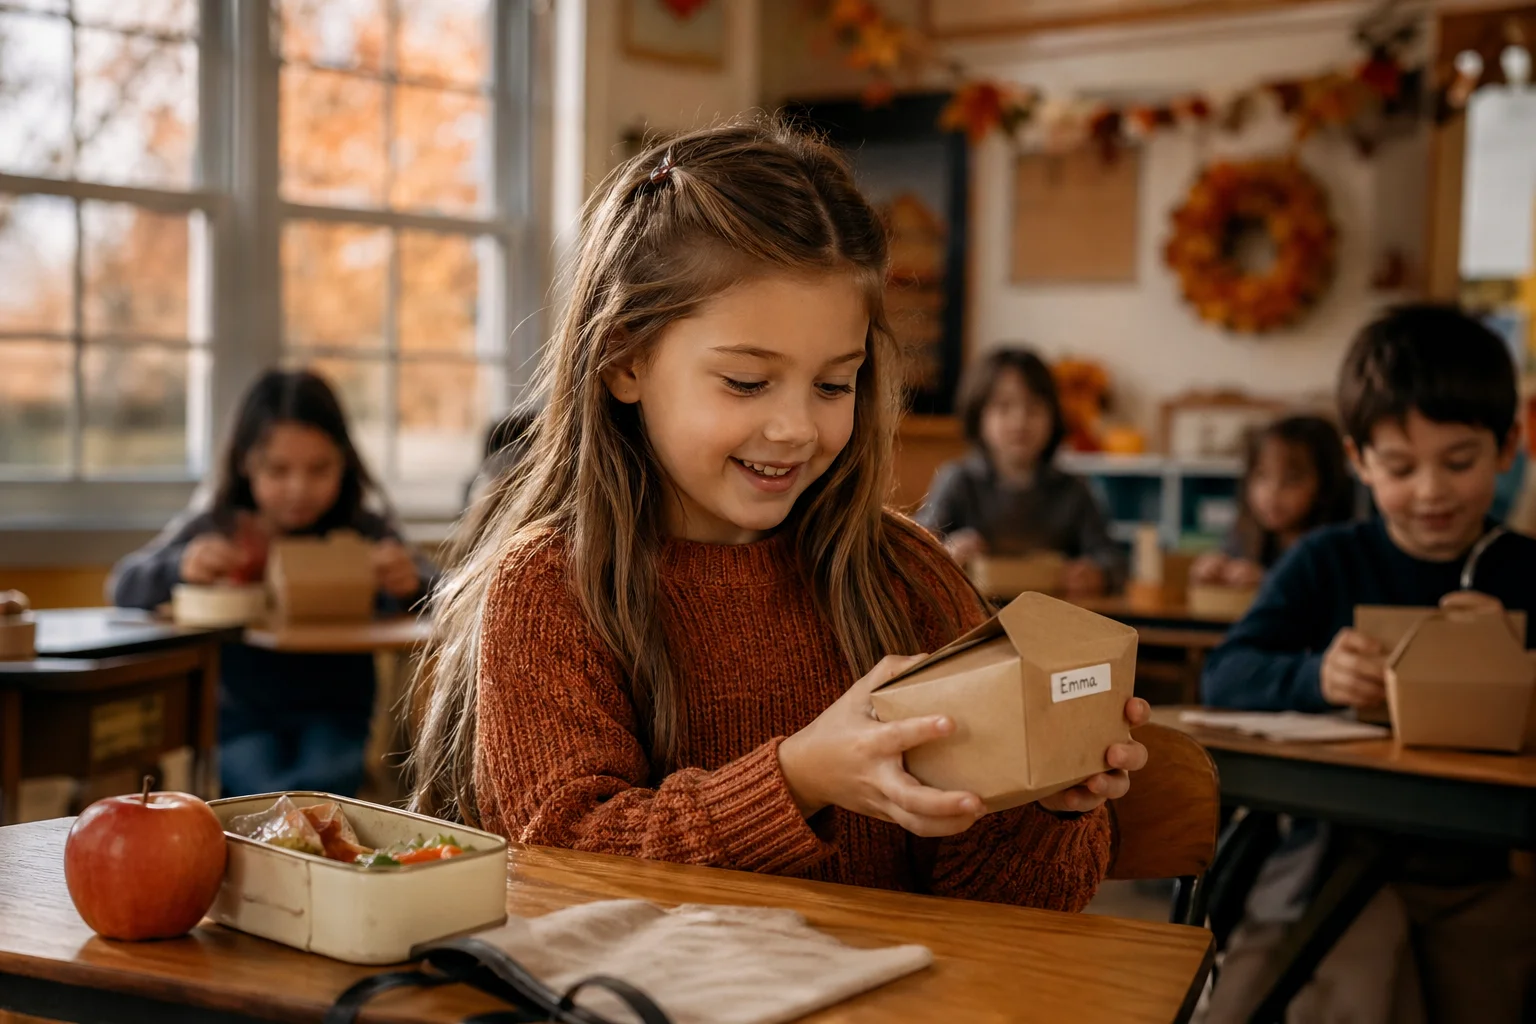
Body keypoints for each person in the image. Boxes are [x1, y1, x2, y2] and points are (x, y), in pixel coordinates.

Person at [409, 117, 1149, 911]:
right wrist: (798, 779)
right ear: (625, 358)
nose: (798, 428)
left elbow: (1013, 908)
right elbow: (560, 860)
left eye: (835, 385)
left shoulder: (908, 576)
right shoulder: (551, 587)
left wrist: (1043, 796)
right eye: (747, 383)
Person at [1201, 304, 1536, 1023]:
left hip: (1485, 865)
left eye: (1459, 461)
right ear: (1358, 460)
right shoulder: (1326, 562)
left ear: (1508, 447)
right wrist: (1315, 677)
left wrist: (1516, 667)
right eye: (1400, 466)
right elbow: (1224, 675)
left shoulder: (1521, 570)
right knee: (1347, 975)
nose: (1430, 491)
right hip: (1340, 858)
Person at [110, 369, 435, 797]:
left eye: (319, 469)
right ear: (247, 462)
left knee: (321, 792)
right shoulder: (220, 527)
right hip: (241, 717)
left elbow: (448, 591)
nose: (298, 488)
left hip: (336, 714)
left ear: (344, 461)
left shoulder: (361, 532)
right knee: (262, 795)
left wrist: (413, 581)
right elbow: (123, 584)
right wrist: (180, 566)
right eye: (278, 470)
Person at [915, 348, 1124, 597]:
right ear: (978, 415)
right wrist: (947, 553)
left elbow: (1114, 560)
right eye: (1004, 407)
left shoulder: (1072, 489)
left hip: (1051, 622)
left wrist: (1097, 573)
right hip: (971, 619)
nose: (1020, 421)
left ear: (1053, 416)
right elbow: (914, 549)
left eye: (1034, 407)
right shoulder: (958, 480)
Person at [1191, 415, 1355, 588]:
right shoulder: (1245, 535)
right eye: (1262, 476)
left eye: (1292, 479)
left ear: (1325, 484)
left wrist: (1268, 582)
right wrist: (1213, 569)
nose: (1272, 493)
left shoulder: (1336, 547)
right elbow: (1224, 559)